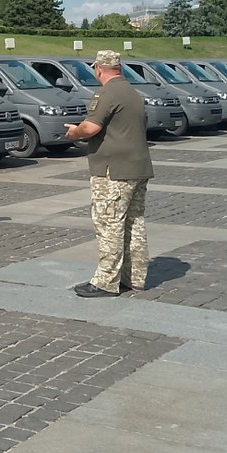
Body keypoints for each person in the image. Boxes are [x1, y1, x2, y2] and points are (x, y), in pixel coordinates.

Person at [63, 50, 153, 298]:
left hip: (113, 171)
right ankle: (133, 277)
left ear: (99, 69)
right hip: (137, 167)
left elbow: (91, 127)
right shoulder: (132, 92)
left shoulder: (108, 92)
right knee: (134, 224)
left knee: (109, 224)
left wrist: (74, 133)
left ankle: (105, 281)